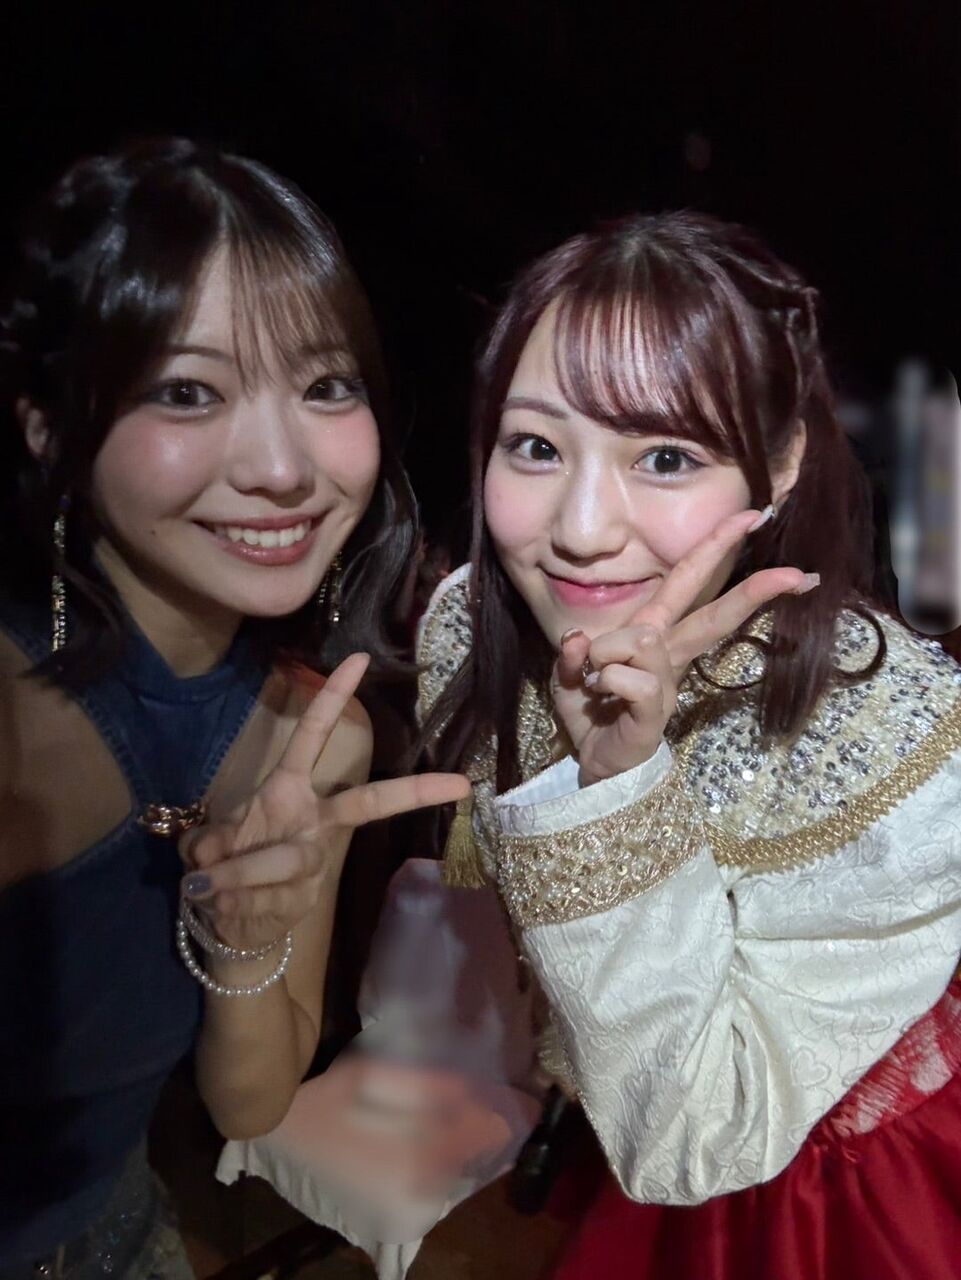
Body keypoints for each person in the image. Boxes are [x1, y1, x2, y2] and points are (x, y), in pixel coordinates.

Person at [417, 212, 961, 1279]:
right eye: (536, 446)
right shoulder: (468, 624)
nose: (580, 529)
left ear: (781, 462)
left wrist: (616, 789)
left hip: (837, 1177)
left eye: (665, 456)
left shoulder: (891, 741)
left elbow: (697, 1133)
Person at [0, 137, 467, 1279]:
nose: (283, 468)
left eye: (325, 385)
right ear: (48, 424)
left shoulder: (317, 737)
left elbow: (249, 1101)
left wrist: (244, 932)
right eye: (188, 391)